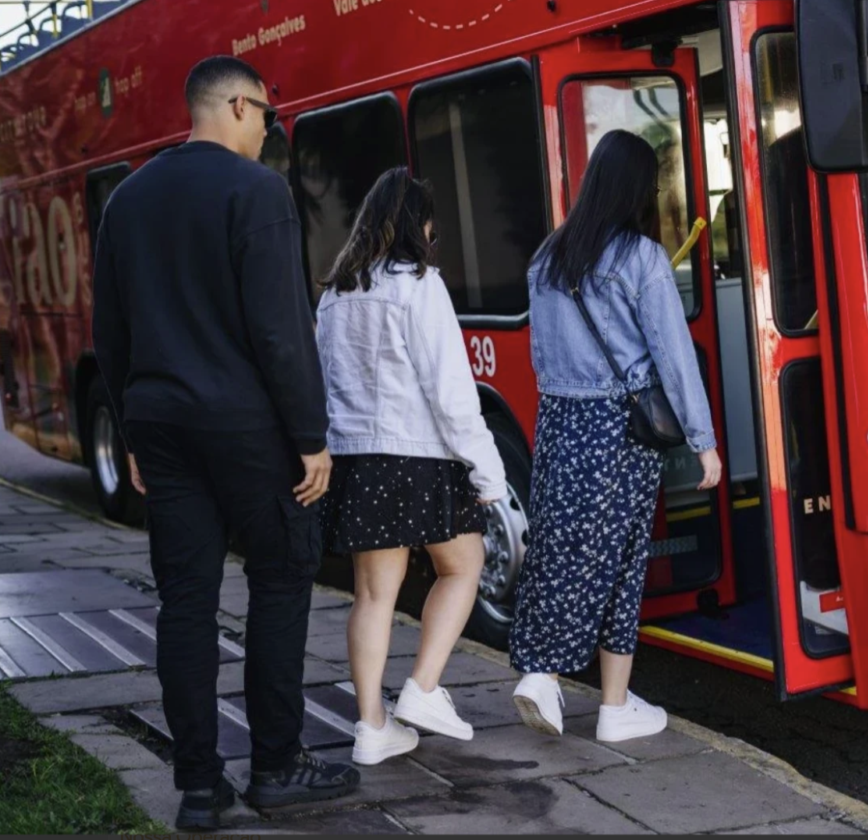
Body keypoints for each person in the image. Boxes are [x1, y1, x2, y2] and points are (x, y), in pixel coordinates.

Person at [91, 55, 359, 831]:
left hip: (162, 424)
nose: (271, 134)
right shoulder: (257, 192)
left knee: (186, 600)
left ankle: (200, 785)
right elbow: (280, 331)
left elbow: (110, 330)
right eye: (270, 118)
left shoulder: (128, 200)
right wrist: (310, 436)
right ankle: (276, 764)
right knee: (280, 577)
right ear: (239, 106)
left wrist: (134, 426)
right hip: (247, 426)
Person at [509, 129, 722, 743]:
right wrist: (702, 441)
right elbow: (673, 355)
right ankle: (592, 697)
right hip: (618, 430)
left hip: (560, 424)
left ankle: (570, 684)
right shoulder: (641, 259)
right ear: (637, 189)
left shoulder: (546, 257)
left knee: (560, 547)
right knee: (621, 560)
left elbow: (542, 359)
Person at [315, 167, 507, 764]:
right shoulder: (418, 285)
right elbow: (451, 392)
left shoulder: (336, 291)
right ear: (418, 225)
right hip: (415, 455)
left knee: (373, 595)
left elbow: (323, 384)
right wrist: (488, 473)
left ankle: (372, 727)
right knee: (463, 565)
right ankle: (423, 688)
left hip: (355, 457)